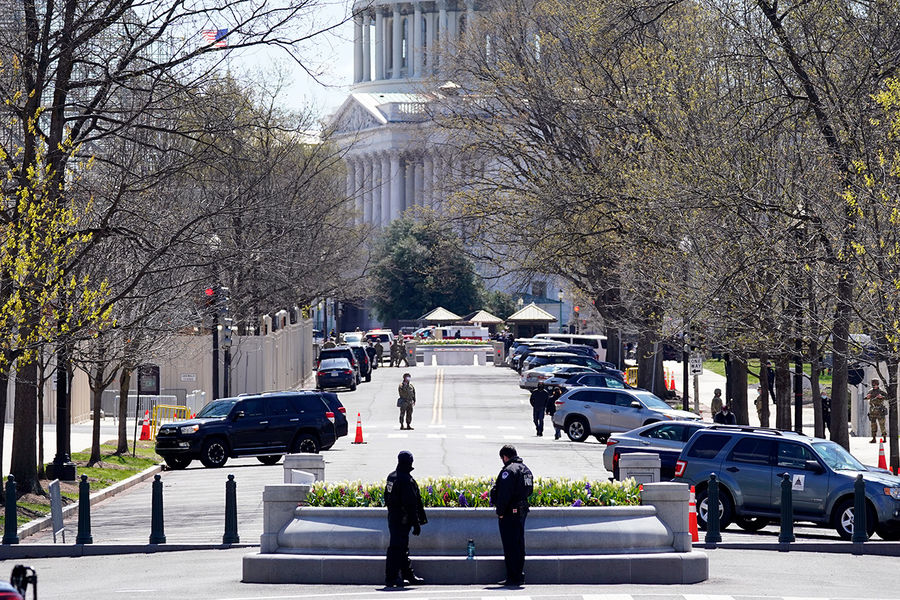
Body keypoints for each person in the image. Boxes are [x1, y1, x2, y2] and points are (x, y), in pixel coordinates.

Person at [490, 445, 533, 587]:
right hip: (522, 511)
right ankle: (519, 575)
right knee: (519, 544)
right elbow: (530, 490)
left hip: (510, 512)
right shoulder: (526, 469)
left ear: (505, 457)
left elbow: (504, 495)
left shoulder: (508, 471)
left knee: (510, 546)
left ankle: (512, 577)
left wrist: (500, 512)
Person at [384, 451, 427, 588]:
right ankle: (392, 578)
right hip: (402, 519)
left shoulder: (392, 477)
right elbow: (411, 504)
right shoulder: (405, 480)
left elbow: (386, 497)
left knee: (401, 548)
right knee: (397, 548)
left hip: (393, 517)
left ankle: (407, 575)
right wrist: (416, 523)